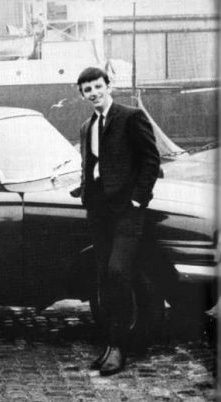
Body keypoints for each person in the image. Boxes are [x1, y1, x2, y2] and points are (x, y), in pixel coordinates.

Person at [71, 67, 160, 376]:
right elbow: (92, 165)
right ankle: (110, 345)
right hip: (99, 211)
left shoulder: (130, 116)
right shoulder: (87, 126)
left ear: (108, 86)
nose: (94, 93)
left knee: (118, 272)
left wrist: (138, 199)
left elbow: (151, 160)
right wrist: (84, 191)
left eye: (98, 86)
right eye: (87, 90)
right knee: (103, 280)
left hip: (127, 212)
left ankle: (119, 348)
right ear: (81, 94)